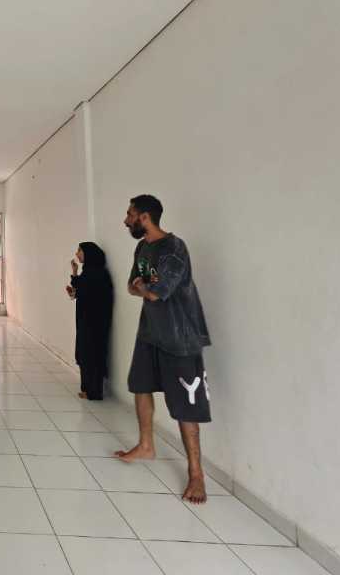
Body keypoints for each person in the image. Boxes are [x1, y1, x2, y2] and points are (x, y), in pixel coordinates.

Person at [116, 194, 212, 504]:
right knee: (140, 385)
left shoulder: (174, 248)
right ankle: (146, 445)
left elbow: (158, 292)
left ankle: (196, 474)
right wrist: (144, 288)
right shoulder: (142, 247)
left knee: (186, 404)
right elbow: (132, 285)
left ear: (144, 217)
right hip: (150, 333)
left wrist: (145, 288)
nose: (126, 220)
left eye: (130, 214)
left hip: (180, 336)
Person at [65, 242, 113, 400]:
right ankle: (87, 389)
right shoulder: (89, 272)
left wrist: (76, 286)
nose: (77, 253)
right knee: (85, 354)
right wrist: (74, 276)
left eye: (80, 250)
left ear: (89, 253)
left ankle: (94, 391)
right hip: (87, 321)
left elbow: (91, 294)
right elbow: (83, 290)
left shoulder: (97, 274)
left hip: (94, 323)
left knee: (91, 354)